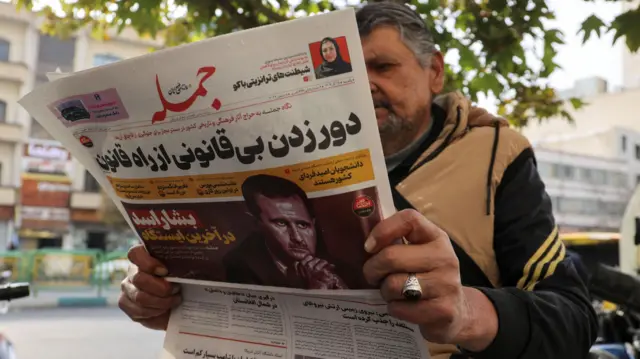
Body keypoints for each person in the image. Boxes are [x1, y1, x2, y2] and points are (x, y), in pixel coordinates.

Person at [119, 2, 598, 358]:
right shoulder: (277, 162)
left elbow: (575, 322)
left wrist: (470, 313)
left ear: (434, 72)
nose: (362, 85)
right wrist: (161, 298)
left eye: (383, 66)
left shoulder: (497, 154)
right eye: (341, 72)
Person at [223, 174, 353, 289]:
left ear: (313, 224)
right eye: (281, 223)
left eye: (303, 225)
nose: (297, 238)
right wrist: (316, 294)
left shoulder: (341, 269)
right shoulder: (240, 266)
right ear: (256, 224)